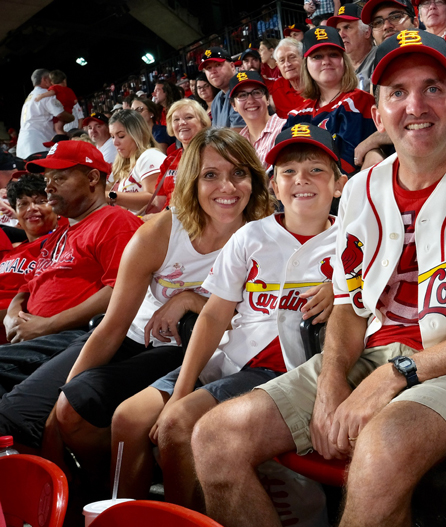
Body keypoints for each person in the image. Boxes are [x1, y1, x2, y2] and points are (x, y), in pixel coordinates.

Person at [191, 31, 446, 527]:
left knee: (380, 448)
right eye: (397, 92)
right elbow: (350, 303)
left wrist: (396, 375)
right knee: (215, 438)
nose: (415, 106)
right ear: (376, 115)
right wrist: (333, 379)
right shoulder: (360, 190)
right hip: (376, 353)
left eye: (432, 89)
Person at [114, 124, 339, 508]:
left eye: (316, 170)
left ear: (339, 184)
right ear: (273, 184)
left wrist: (342, 290)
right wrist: (181, 390)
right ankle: (126, 513)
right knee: (127, 418)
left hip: (282, 372)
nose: (301, 179)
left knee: (176, 425)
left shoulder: (354, 238)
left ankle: (183, 515)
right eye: (288, 171)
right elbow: (214, 317)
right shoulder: (251, 236)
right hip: (230, 356)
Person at [0, 141, 142, 394]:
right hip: (36, 338)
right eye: (47, 179)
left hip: (73, 339)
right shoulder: (60, 232)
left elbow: (120, 291)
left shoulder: (115, 221)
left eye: (60, 178)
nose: (49, 186)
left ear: (92, 178)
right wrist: (12, 314)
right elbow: (29, 285)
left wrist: (47, 325)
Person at [286, 27, 379, 174]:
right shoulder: (296, 115)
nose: (326, 61)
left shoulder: (358, 102)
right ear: (306, 64)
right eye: (317, 57)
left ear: (344, 61)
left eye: (333, 54)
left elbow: (347, 164)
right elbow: (284, 163)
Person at [0, 175, 60, 334]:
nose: (32, 208)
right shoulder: (13, 252)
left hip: (20, 330)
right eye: (23, 204)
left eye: (41, 201)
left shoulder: (63, 242)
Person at [149, 99, 212, 212]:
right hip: (167, 220)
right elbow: (158, 203)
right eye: (176, 119)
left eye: (188, 117)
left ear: (202, 122)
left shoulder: (213, 155)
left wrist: (162, 218)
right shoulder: (171, 160)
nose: (182, 123)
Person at [108, 109, 167, 213]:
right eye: (112, 137)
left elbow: (153, 199)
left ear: (137, 134)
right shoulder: (120, 164)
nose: (115, 142)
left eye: (121, 136)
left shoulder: (150, 156)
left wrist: (111, 196)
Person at [230, 71, 287, 169]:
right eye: (242, 95)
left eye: (256, 93)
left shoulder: (285, 129)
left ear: (267, 99)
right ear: (234, 105)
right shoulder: (237, 143)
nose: (251, 100)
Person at [17, 69, 75, 159]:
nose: (52, 82)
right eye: (50, 79)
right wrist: (72, 118)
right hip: (38, 145)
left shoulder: (30, 97)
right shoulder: (45, 94)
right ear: (45, 80)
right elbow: (60, 114)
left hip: (23, 148)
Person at [328, 4, 377, 92]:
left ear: (367, 32)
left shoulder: (380, 57)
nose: (341, 35)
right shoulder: (337, 64)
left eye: (347, 27)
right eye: (338, 30)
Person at [199, 47, 248, 131]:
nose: (213, 71)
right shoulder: (216, 100)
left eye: (218, 65)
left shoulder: (244, 88)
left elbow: (238, 135)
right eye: (208, 68)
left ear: (232, 66)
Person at [33, 70, 80, 136]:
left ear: (52, 82)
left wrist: (41, 96)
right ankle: (68, 136)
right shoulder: (69, 90)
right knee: (61, 129)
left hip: (62, 112)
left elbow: (51, 92)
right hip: (69, 112)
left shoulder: (55, 88)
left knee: (58, 129)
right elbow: (75, 101)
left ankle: (66, 140)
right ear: (64, 81)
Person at [272, 38, 308, 119]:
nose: (287, 64)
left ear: (303, 58)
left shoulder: (318, 83)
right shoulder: (278, 88)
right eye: (282, 60)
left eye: (292, 57)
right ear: (278, 66)